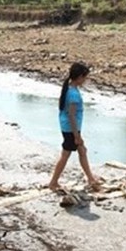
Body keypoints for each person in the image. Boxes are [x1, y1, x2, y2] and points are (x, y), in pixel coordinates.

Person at [48, 62, 102, 191]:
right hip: (70, 128)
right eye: (85, 77)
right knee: (66, 155)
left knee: (82, 151)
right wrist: (77, 135)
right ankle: (53, 182)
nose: (85, 80)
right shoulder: (73, 94)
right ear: (79, 77)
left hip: (69, 127)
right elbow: (71, 115)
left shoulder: (70, 89)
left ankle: (90, 178)